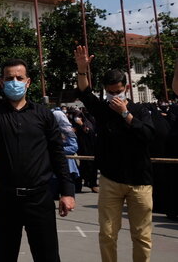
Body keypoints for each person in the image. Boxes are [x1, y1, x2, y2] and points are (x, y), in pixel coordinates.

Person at [0, 9, 75, 262]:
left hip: (40, 198)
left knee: (47, 256)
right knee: (4, 256)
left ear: (28, 82)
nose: (14, 81)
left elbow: (57, 153)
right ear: (2, 82)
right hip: (5, 198)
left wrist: (67, 191)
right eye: (9, 78)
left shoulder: (43, 114)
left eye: (19, 77)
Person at [74, 46, 155, 262]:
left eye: (118, 92)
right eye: (110, 92)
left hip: (140, 182)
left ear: (126, 88)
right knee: (108, 234)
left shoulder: (141, 110)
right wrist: (82, 70)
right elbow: (85, 93)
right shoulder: (102, 110)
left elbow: (148, 134)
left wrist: (125, 113)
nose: (115, 96)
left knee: (141, 235)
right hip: (111, 180)